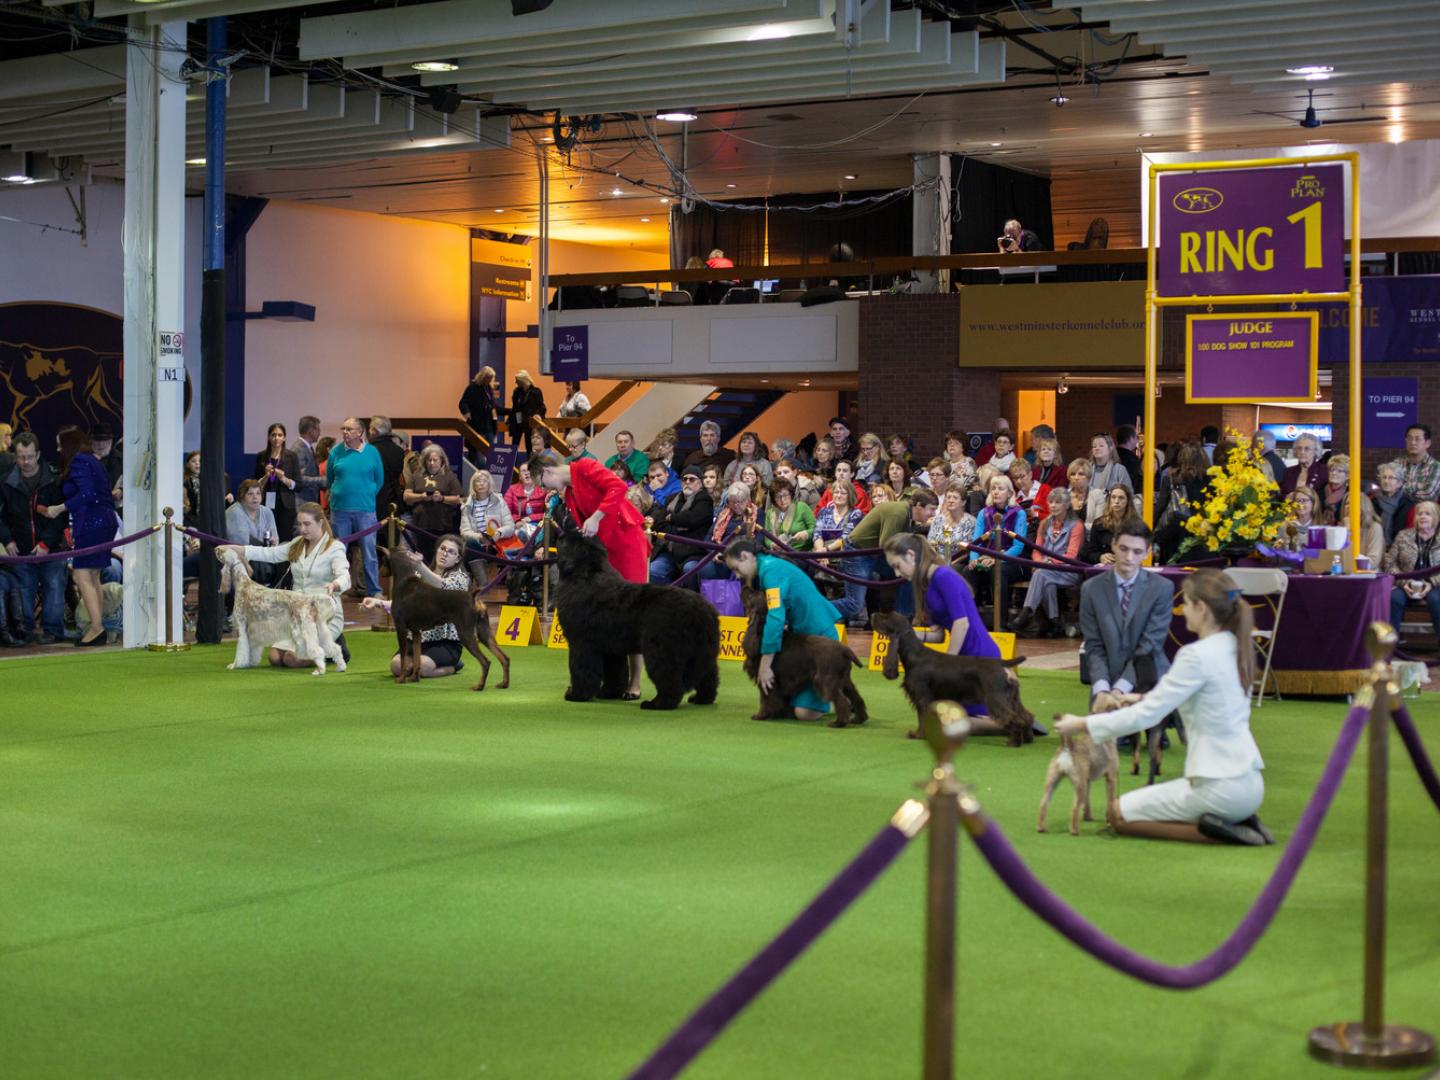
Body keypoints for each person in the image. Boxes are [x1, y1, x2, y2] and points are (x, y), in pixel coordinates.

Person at [1057, 569, 1270, 846]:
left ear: (1202, 609)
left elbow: (1149, 715)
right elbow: (1197, 698)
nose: (1182, 610)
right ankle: (1235, 821)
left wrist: (1084, 723)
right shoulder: (1235, 646)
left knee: (1117, 814)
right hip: (1251, 786)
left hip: (1218, 787)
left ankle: (1220, 833)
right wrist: (1133, 698)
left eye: (1187, 604)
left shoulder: (1195, 655)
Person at [883, 533, 1029, 736]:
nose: (897, 573)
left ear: (910, 555)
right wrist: (909, 635)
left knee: (950, 723)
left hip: (977, 655)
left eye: (897, 565)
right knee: (946, 722)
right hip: (961, 658)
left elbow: (962, 624)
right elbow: (938, 635)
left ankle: (1016, 721)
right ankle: (1011, 718)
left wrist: (946, 664)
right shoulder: (926, 584)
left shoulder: (944, 576)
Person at [533, 448, 651, 696]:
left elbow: (618, 487)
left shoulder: (585, 467)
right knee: (608, 618)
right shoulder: (567, 493)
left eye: (542, 483)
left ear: (547, 471)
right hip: (603, 550)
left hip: (626, 542)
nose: (545, 489)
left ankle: (635, 684)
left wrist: (597, 516)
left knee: (632, 612)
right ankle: (610, 681)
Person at [724, 537, 844, 722]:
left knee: (804, 714)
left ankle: (835, 696)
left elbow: (776, 618)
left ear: (745, 556)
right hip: (801, 638)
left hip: (819, 640)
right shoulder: (765, 569)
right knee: (789, 705)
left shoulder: (771, 572)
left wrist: (765, 664)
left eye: (735, 569)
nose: (737, 576)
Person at [221, 502, 350, 668]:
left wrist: (336, 584)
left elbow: (345, 575)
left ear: (321, 523)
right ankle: (326, 646)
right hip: (296, 613)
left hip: (322, 613)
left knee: (291, 659)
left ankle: (334, 648)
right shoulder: (297, 544)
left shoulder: (335, 548)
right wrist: (238, 549)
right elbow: (269, 553)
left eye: (307, 524)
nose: (302, 529)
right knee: (275, 658)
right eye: (300, 524)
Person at [1078, 519, 1174, 712]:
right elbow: (1094, 646)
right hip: (1107, 679)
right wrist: (1103, 689)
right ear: (1113, 545)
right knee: (1106, 738)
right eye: (1123, 548)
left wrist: (1120, 689)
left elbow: (1149, 645)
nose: (1129, 557)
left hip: (1149, 678)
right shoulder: (1091, 589)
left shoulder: (1162, 588)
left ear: (1147, 553)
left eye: (1137, 552)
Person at [39, 426, 117, 646]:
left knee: (81, 575)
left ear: (68, 445)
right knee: (93, 577)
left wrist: (59, 508)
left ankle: (96, 627)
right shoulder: (93, 460)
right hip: (104, 521)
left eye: (59, 444)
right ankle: (97, 626)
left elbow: (88, 494)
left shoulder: (80, 462)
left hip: (93, 523)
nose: (56, 449)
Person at [363, 536, 471, 678]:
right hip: (417, 640)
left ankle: (453, 666)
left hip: (445, 643)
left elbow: (441, 586)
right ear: (437, 550)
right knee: (396, 667)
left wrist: (420, 565)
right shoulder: (418, 575)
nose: (444, 554)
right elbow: (404, 605)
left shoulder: (461, 579)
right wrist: (378, 602)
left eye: (451, 552)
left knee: (422, 669)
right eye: (442, 549)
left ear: (458, 559)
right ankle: (424, 664)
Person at [0, 432, 69, 644]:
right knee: (25, 591)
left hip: (52, 549)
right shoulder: (5, 483)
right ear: (15, 455)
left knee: (54, 586)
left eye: (29, 456)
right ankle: (26, 632)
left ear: (38, 454)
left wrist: (45, 544)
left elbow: (60, 518)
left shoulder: (55, 479)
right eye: (21, 457)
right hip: (20, 551)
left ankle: (53, 632)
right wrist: (7, 539)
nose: (26, 462)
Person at [836, 487, 939, 624]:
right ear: (919, 506)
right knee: (853, 605)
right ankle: (814, 609)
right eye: (931, 509)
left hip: (870, 554)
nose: (933, 513)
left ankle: (902, 620)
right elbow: (886, 546)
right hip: (857, 554)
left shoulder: (907, 515)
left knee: (911, 573)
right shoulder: (898, 513)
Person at [1011, 488, 1083, 637]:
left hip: (1068, 570)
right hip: (1045, 569)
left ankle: (1026, 613)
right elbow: (1036, 550)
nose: (1053, 505)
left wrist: (1049, 561)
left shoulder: (1077, 525)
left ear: (1067, 505)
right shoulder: (1044, 524)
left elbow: (1071, 555)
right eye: (1051, 502)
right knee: (1045, 581)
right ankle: (1056, 623)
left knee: (1040, 574)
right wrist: (1040, 563)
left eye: (1058, 502)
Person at [325, 417, 385, 598]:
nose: (345, 432)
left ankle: (374, 590)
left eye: (349, 429)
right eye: (344, 428)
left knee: (369, 553)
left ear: (360, 433)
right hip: (340, 510)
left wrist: (365, 494)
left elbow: (379, 479)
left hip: (365, 510)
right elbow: (329, 478)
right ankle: (337, 589)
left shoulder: (372, 452)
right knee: (338, 552)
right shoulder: (336, 452)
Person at [966, 473, 1027, 615]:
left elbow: (1018, 546)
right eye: (993, 488)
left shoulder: (1019, 513)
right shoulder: (984, 513)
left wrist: (995, 558)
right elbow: (977, 541)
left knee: (998, 572)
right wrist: (974, 559)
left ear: (1010, 493)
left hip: (1011, 560)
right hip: (987, 558)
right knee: (969, 572)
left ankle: (1001, 623)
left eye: (1000, 488)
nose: (996, 492)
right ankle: (971, 619)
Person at [1385, 499, 1440, 639]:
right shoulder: (1403, 535)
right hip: (1406, 583)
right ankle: (1390, 646)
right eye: (1419, 514)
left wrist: (1431, 583)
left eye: (1427, 514)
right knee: (1393, 598)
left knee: (1436, 600)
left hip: (1434, 584)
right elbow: (1389, 563)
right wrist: (1404, 582)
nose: (1422, 516)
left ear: (1436, 517)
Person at [650, 466, 713, 586]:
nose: (687, 482)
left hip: (692, 552)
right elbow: (658, 521)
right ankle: (672, 595)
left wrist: (672, 518)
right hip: (669, 550)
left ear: (700, 483)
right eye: (685, 479)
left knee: (690, 570)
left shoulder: (704, 499)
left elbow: (693, 519)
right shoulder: (672, 498)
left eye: (692, 479)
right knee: (653, 571)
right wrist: (676, 529)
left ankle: (692, 599)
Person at [405, 443, 463, 559]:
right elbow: (406, 496)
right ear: (424, 461)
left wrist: (442, 498)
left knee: (441, 557)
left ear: (442, 460)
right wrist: (421, 496)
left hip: (442, 524)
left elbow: (459, 499)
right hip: (421, 524)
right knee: (422, 556)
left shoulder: (449, 475)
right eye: (429, 460)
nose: (432, 463)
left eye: (435, 460)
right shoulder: (417, 475)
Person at [225, 480, 281, 585]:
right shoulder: (235, 512)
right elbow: (242, 545)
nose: (255, 497)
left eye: (258, 493)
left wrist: (273, 542)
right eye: (250, 493)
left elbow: (275, 539)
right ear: (242, 496)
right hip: (242, 560)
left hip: (263, 559)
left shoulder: (267, 512)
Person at [253, 422, 301, 541]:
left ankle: (284, 561)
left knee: (285, 539)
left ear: (284, 437)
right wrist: (266, 476)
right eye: (273, 435)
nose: (276, 438)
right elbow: (254, 486)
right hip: (266, 504)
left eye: (280, 435)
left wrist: (284, 479)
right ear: (269, 437)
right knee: (266, 538)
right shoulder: (261, 456)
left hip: (286, 506)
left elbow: (299, 485)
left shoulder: (292, 456)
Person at [1083, 485, 1140, 565]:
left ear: (1128, 501)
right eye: (1113, 497)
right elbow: (1090, 552)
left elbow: (1141, 552)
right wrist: (1100, 557)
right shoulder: (1098, 523)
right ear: (1109, 500)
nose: (1116, 501)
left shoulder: (1136, 525)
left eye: (1121, 498)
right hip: (1104, 566)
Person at [367, 416, 407, 521]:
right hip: (392, 501)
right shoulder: (398, 451)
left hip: (371, 502)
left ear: (374, 431)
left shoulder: (367, 451)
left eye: (370, 429)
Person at [1389, 423, 1440, 503]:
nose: (1412, 442)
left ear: (1428, 443)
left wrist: (1398, 489)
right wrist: (1418, 486)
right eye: (1409, 438)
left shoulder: (1436, 467)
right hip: (1399, 511)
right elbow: (1387, 488)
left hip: (1424, 513)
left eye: (1417, 439)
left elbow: (1428, 494)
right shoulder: (1397, 463)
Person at [927, 485, 975, 562]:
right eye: (948, 497)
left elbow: (966, 551)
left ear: (963, 502)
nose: (951, 500)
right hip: (936, 560)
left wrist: (950, 564)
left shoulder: (970, 522)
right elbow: (930, 543)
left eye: (955, 498)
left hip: (957, 562)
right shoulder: (938, 519)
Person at [765, 477, 814, 550]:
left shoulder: (801, 507)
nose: (782, 500)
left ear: (791, 494)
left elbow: (816, 529)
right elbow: (767, 537)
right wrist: (773, 545)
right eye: (778, 497)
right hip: (779, 553)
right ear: (773, 498)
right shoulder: (770, 513)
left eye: (785, 495)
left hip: (802, 553)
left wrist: (807, 533)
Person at [503, 461, 548, 541]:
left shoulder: (544, 491)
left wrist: (530, 518)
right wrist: (517, 521)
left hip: (536, 525)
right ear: (520, 476)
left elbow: (548, 513)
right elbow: (505, 511)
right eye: (524, 471)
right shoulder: (512, 489)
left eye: (529, 470)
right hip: (515, 525)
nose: (527, 473)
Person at [1372, 461, 1414, 545]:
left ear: (1400, 483)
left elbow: (1410, 534)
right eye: (1384, 477)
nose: (1386, 481)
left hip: (1400, 548)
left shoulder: (1408, 504)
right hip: (1375, 545)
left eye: (1391, 478)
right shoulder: (1372, 501)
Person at [459, 366, 499, 452]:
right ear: (482, 377)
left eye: (491, 378)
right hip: (477, 426)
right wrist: (467, 412)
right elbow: (463, 403)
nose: (489, 380)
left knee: (490, 453)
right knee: (478, 454)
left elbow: (493, 407)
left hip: (490, 427)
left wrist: (510, 411)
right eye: (487, 378)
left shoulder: (489, 389)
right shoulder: (473, 388)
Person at [508, 370, 547, 456]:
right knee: (513, 447)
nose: (515, 382)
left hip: (529, 424)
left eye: (517, 380)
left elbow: (542, 407)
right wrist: (509, 420)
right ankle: (512, 467)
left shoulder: (536, 392)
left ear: (523, 380)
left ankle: (530, 467)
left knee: (529, 447)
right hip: (518, 423)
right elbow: (514, 408)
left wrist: (538, 415)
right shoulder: (517, 392)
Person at [89, 422, 123, 508]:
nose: (101, 444)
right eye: (97, 440)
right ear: (91, 441)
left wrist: (121, 491)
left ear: (111, 441)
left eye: (104, 440)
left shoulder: (122, 460)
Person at [292, 416, 324, 506]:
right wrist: (322, 480)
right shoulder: (299, 449)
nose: (320, 433)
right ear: (310, 431)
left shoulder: (308, 448)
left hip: (308, 500)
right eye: (318, 429)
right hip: (302, 501)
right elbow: (299, 478)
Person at [1280, 485, 1320, 552]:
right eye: (1297, 500)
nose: (1300, 504)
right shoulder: (1284, 525)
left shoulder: (1321, 526)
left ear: (1313, 503)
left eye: (1304, 500)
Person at [1319, 453, 1349, 524]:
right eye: (1332, 470)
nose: (1334, 473)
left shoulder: (1350, 493)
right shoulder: (1320, 491)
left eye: (1339, 471)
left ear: (1348, 475)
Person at [1114, 424, 1144, 492]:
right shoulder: (1132, 460)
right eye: (1136, 437)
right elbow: (1134, 482)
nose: (1137, 440)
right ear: (1131, 438)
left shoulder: (1110, 455)